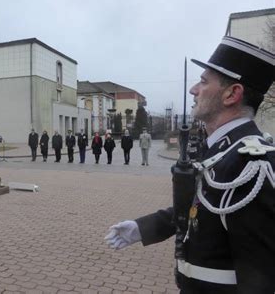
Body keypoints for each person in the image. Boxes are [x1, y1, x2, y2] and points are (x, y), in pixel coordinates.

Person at [105, 36, 275, 293]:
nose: (193, 90)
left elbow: (260, 277)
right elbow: (199, 209)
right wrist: (143, 228)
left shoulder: (253, 165)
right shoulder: (221, 150)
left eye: (204, 82)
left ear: (232, 94)